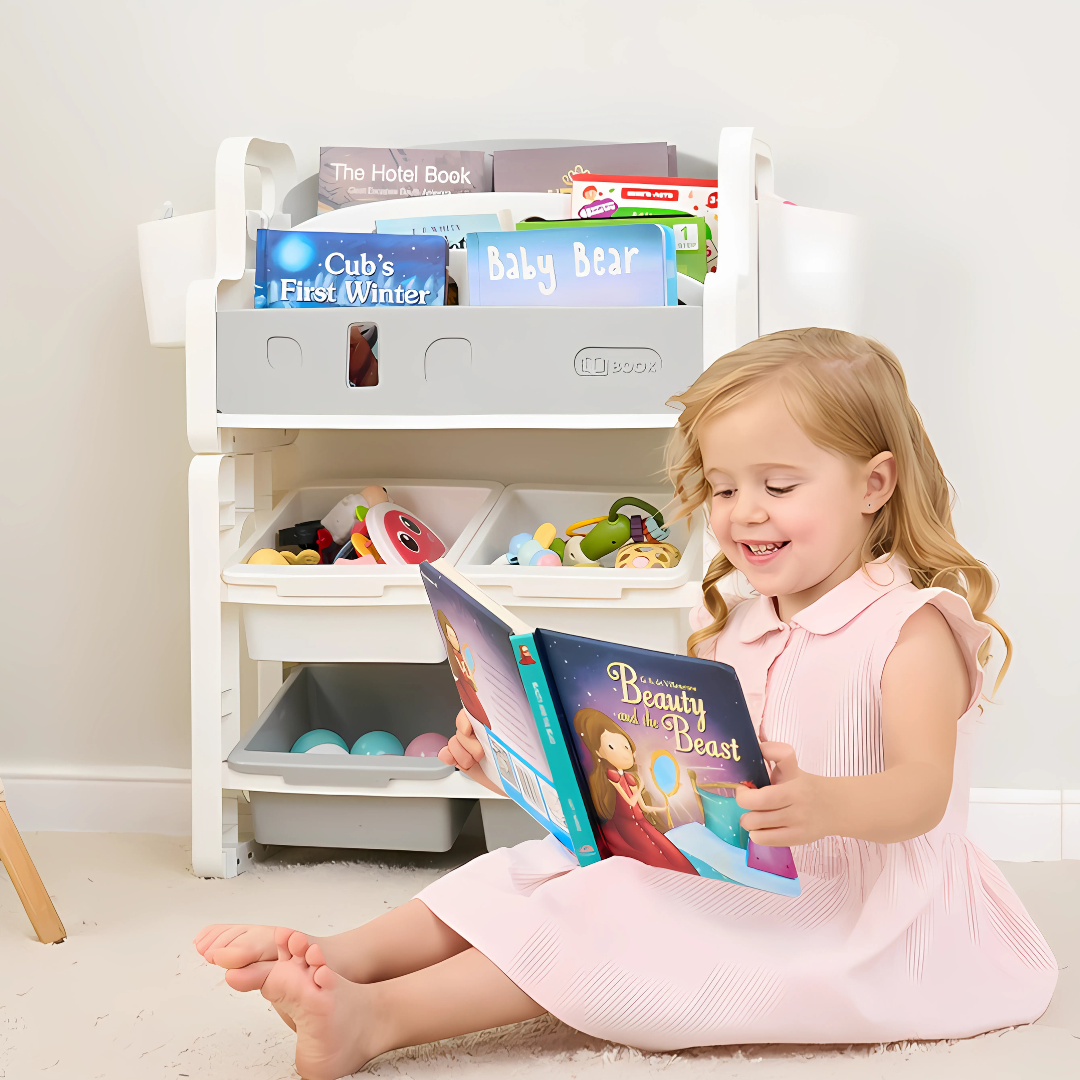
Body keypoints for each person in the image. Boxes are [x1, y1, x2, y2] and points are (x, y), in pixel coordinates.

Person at [194, 329, 1056, 1079]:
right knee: (533, 868)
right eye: (722, 488)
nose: (743, 514)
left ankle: (377, 1020)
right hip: (749, 868)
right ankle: (339, 961)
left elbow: (920, 794)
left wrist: (824, 800)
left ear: (874, 486)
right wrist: (521, 763)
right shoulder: (741, 626)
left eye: (779, 486)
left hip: (868, 912)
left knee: (611, 909)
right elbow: (675, 787)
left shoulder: (910, 629)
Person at [575, 707, 697, 873]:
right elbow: (630, 800)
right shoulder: (613, 776)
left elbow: (642, 807)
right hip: (626, 825)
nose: (625, 754)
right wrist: (638, 789)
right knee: (653, 856)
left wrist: (660, 808)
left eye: (626, 747)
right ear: (599, 752)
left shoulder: (629, 778)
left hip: (641, 822)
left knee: (670, 853)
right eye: (611, 747)